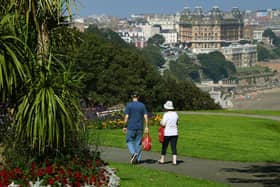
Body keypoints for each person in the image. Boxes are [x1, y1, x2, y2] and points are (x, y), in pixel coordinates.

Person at [123, 92, 149, 164]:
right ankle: (137, 160)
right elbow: (146, 117)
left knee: (129, 141)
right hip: (140, 127)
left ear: (132, 97)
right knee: (138, 143)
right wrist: (146, 126)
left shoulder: (129, 105)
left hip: (131, 127)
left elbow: (126, 117)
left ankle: (133, 153)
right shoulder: (142, 105)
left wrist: (124, 126)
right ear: (138, 97)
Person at [158, 100, 179, 165]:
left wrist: (160, 121)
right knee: (174, 147)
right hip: (175, 132)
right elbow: (177, 123)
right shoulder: (176, 114)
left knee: (164, 146)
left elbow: (163, 124)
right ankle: (174, 161)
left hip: (167, 133)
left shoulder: (166, 114)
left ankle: (162, 160)